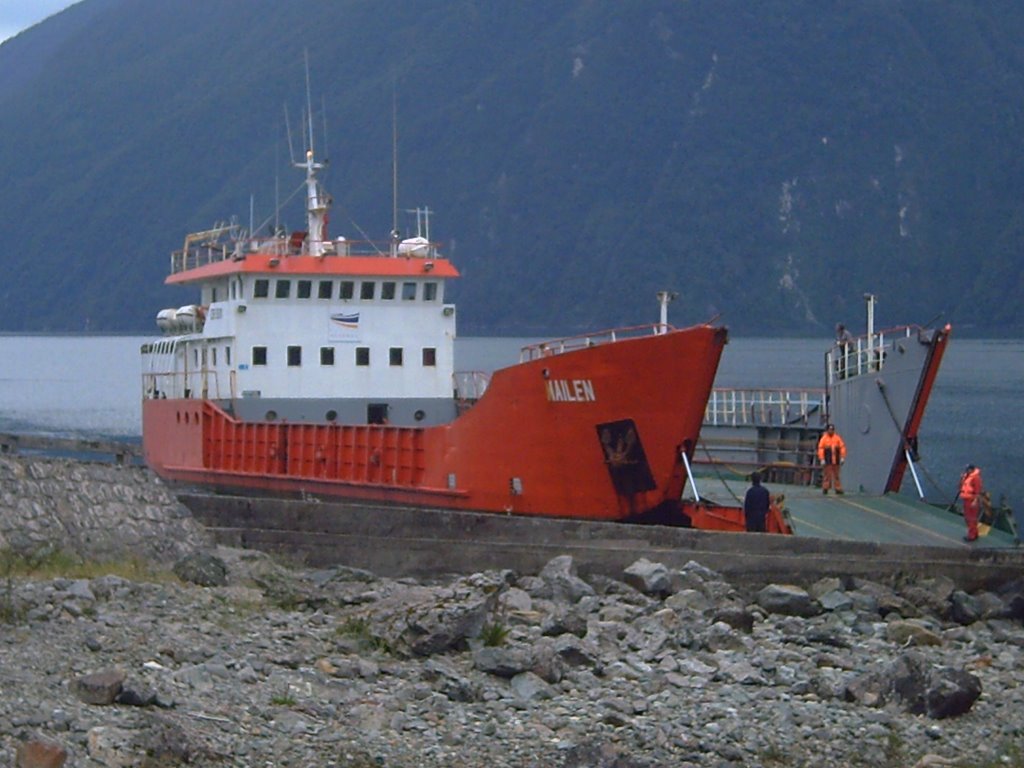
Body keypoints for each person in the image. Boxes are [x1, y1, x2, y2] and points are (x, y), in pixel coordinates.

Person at [817, 424, 846, 494]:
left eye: (832, 429)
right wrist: (822, 459)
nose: (831, 431)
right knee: (827, 475)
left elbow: (842, 447)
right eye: (830, 429)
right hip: (827, 460)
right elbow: (821, 449)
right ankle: (825, 488)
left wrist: (842, 457)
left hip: (836, 460)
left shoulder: (837, 438)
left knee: (836, 475)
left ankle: (838, 488)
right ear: (827, 430)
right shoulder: (824, 439)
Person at [960, 464, 984, 542]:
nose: (966, 471)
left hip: (971, 500)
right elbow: (960, 486)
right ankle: (975, 533)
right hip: (966, 499)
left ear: (971, 470)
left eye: (968, 470)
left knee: (971, 518)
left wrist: (975, 501)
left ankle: (971, 536)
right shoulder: (966, 476)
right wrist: (961, 479)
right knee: (969, 518)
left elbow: (978, 491)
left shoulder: (976, 478)